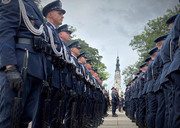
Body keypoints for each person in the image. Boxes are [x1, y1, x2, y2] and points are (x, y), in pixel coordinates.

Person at [0, 0, 47, 127]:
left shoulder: (34, 8)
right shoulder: (14, 2)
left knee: (25, 119)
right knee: (9, 119)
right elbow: (5, 34)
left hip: (35, 68)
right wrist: (10, 67)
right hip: (20, 66)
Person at [160, 14, 177, 128]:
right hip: (173, 70)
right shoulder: (171, 40)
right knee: (174, 108)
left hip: (168, 73)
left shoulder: (167, 42)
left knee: (170, 108)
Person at [153, 34, 168, 128]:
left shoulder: (158, 56)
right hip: (165, 79)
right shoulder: (161, 53)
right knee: (165, 109)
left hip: (159, 82)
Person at [146, 47, 158, 128]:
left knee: (151, 111)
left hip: (150, 88)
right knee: (153, 111)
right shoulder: (153, 63)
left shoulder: (150, 65)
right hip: (153, 87)